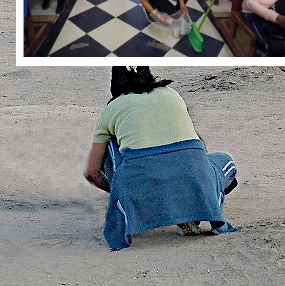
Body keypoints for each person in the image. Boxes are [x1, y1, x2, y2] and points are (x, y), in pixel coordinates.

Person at [84, 67, 236, 251]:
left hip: (139, 179)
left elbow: (91, 173)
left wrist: (116, 188)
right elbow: (200, 147)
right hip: (193, 173)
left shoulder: (111, 109)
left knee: (111, 144)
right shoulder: (172, 95)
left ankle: (141, 199)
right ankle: (191, 207)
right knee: (224, 162)